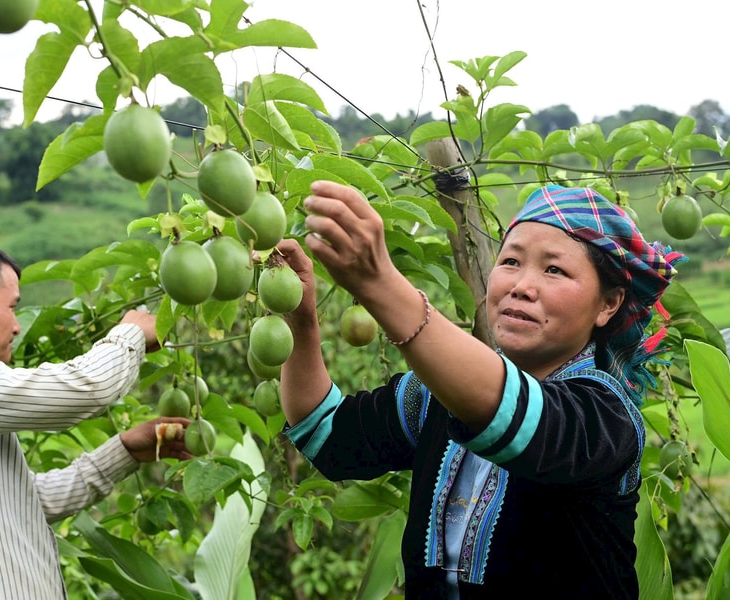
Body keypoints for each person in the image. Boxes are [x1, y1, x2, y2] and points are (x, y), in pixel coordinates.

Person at [274, 182, 685, 599]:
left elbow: (519, 417)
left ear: (608, 304)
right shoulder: (434, 396)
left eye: (554, 269)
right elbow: (327, 436)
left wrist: (382, 285)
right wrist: (300, 318)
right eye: (510, 261)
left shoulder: (606, 416)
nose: (522, 285)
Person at [0, 230, 191, 600]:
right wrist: (130, 334)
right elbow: (87, 389)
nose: (16, 325)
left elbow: (27, 501)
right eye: (12, 307)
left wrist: (125, 451)